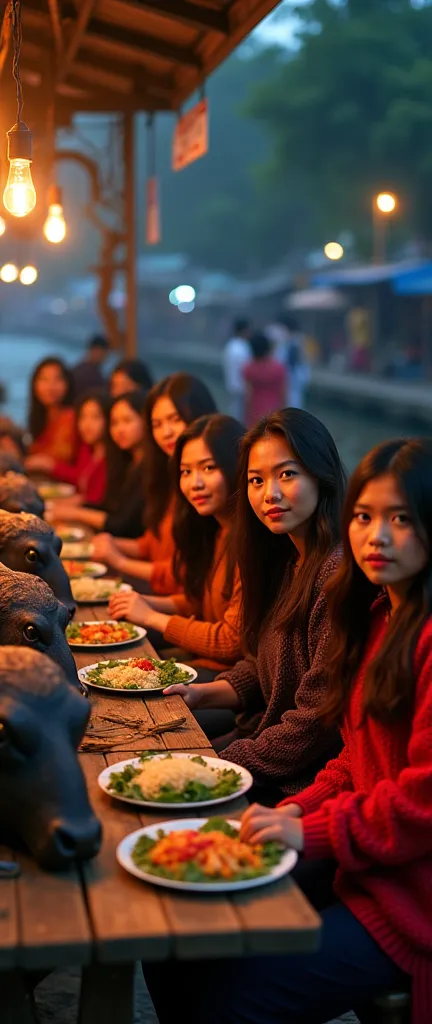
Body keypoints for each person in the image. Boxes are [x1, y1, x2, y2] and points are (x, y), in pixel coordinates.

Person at [146, 437, 432, 1024]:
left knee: (225, 994)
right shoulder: (378, 617)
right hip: (364, 860)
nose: (376, 537)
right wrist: (298, 813)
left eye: (401, 519)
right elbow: (356, 758)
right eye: (365, 517)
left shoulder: (394, 619)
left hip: (410, 899)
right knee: (171, 933)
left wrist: (307, 826)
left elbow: (418, 802)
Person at [164, 408, 345, 791]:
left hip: (301, 778)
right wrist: (199, 694)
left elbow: (316, 722)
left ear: (321, 474)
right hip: (264, 741)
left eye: (287, 474)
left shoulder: (335, 574)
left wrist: (222, 763)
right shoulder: (284, 561)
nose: (270, 494)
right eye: (256, 480)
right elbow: (259, 667)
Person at [109, 414, 244, 673]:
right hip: (203, 660)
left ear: (235, 466)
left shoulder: (248, 543)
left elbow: (231, 643)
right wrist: (142, 602)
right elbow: (200, 602)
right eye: (186, 472)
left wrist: (150, 616)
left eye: (209, 468)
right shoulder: (216, 530)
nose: (196, 483)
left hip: (227, 676)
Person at [92, 373, 217, 593]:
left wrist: (120, 560)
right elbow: (153, 543)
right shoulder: (168, 473)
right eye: (157, 424)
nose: (166, 433)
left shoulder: (207, 483)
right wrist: (111, 544)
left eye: (176, 419)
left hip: (177, 600)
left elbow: (185, 574)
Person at [50, 391, 146, 537]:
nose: (119, 430)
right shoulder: (127, 461)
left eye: (127, 421)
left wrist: (76, 512)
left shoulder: (147, 468)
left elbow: (122, 524)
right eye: (115, 423)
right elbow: (108, 506)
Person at [25, 390, 110, 506]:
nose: (87, 424)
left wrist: (50, 465)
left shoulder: (111, 457)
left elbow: (93, 499)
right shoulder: (88, 449)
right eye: (83, 417)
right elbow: (80, 480)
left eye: (95, 417)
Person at [27, 358, 76, 462]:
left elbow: (61, 456)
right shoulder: (42, 417)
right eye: (44, 379)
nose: (50, 387)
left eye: (57, 379)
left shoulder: (70, 417)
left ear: (68, 384)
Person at [243, 331, 287, 428]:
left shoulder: (248, 368)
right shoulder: (279, 368)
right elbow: (283, 393)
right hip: (275, 412)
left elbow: (248, 395)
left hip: (255, 412)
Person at [268, 315, 310, 409]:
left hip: (294, 374)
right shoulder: (287, 339)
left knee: (294, 400)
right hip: (289, 374)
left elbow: (300, 359)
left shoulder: (296, 340)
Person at [222, 318, 251, 422]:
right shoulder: (243, 346)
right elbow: (246, 368)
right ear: (244, 330)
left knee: (235, 410)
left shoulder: (230, 345)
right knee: (240, 413)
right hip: (242, 386)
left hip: (232, 384)